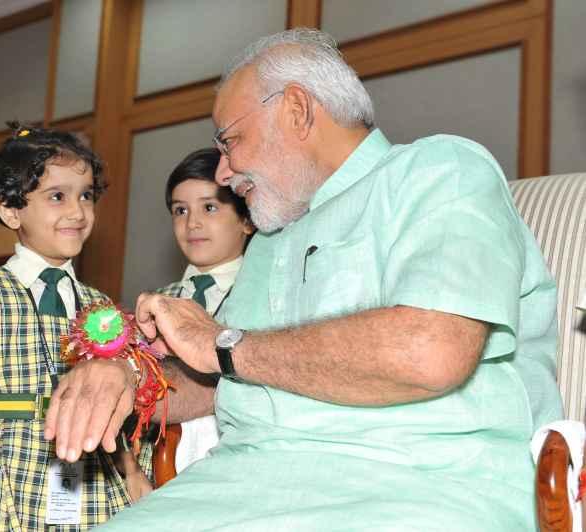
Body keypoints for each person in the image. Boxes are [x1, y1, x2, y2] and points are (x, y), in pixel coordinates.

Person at [45, 29, 563, 530]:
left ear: (296, 110)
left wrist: (222, 343)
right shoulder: (269, 239)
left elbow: (430, 352)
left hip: (416, 482)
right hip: (239, 484)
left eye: (230, 140)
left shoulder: (440, 170)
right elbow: (212, 377)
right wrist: (129, 378)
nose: (223, 172)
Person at [0, 123, 131, 531]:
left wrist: (131, 471)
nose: (77, 212)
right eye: (57, 197)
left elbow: (113, 402)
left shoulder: (100, 306)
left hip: (84, 465)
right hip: (3, 465)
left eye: (86, 196)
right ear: (10, 210)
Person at [134, 147, 254, 487]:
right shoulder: (155, 304)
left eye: (209, 207)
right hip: (158, 470)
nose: (192, 223)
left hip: (235, 466)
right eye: (180, 210)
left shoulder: (261, 295)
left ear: (246, 219)